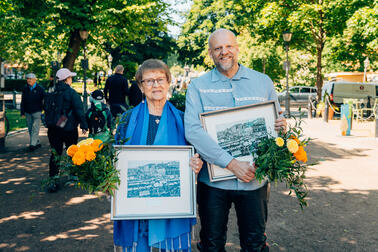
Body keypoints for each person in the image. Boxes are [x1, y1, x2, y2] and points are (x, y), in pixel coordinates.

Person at [184, 29, 287, 252]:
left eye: (228, 46)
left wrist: (281, 128)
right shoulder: (198, 86)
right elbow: (193, 131)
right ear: (210, 53)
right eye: (218, 48)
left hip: (254, 179)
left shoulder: (263, 82)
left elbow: (276, 124)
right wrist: (231, 164)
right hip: (212, 183)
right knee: (211, 244)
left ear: (237, 48)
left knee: (255, 244)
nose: (224, 52)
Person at [114, 59, 202, 251]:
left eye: (160, 79)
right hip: (137, 211)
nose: (156, 85)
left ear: (168, 81)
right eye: (149, 80)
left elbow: (195, 154)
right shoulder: (128, 120)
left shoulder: (183, 119)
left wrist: (196, 163)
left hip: (171, 209)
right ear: (140, 85)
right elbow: (116, 159)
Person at [46, 68, 88, 192]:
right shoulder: (72, 93)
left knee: (55, 153)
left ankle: (53, 179)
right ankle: (72, 175)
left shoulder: (50, 91)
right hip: (69, 128)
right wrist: (84, 125)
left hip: (53, 129)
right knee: (72, 152)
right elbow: (79, 110)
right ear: (66, 79)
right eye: (70, 77)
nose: (71, 79)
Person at [21, 73, 45, 151]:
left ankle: (32, 144)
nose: (28, 80)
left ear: (35, 80)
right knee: (30, 128)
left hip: (37, 111)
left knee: (35, 127)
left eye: (30, 79)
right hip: (28, 112)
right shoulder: (25, 88)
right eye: (27, 79)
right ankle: (37, 142)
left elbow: (44, 100)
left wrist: (44, 109)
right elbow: (23, 101)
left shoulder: (40, 89)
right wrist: (22, 112)